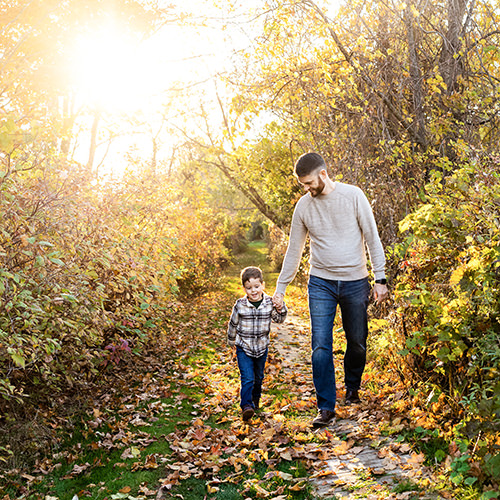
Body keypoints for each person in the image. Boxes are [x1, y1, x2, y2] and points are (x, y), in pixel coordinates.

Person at [272, 152, 388, 428]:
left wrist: (380, 278)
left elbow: (372, 237)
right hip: (320, 282)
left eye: (309, 182)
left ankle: (352, 388)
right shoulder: (303, 207)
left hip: (355, 281)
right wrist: (281, 288)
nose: (307, 188)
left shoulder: (353, 196)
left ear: (323, 174)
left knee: (357, 342)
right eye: (303, 184)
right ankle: (325, 406)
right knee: (320, 346)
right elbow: (294, 251)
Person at [228, 266, 288, 421]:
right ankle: (246, 406)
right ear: (244, 288)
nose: (253, 291)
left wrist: (281, 307)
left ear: (263, 285)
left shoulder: (269, 303)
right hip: (244, 347)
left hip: (262, 348)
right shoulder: (240, 304)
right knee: (247, 377)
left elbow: (279, 319)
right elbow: (233, 323)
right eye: (249, 288)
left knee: (259, 377)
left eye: (256, 286)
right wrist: (231, 340)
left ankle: (255, 399)